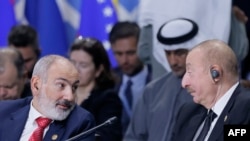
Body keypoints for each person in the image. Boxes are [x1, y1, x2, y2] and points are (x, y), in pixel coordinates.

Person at [124, 18, 205, 141]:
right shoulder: (153, 91)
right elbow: (134, 137)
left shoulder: (213, 89)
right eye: (168, 53)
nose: (173, 61)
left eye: (179, 53)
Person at [0, 55, 95, 141]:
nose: (70, 97)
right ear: (36, 85)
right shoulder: (3, 111)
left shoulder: (81, 122)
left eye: (74, 87)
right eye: (61, 85)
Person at [171, 39, 250, 141]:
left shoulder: (246, 109)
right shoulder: (187, 113)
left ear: (215, 74)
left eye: (190, 72)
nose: (184, 83)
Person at [69, 36, 123, 141]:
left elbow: (108, 136)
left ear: (98, 70)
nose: (75, 69)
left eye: (83, 65)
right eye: (72, 63)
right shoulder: (59, 95)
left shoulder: (108, 99)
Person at [109, 21, 152, 134]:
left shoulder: (158, 78)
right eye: (119, 54)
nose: (124, 60)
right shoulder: (107, 82)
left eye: (131, 53)